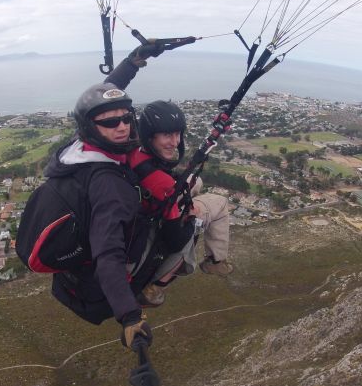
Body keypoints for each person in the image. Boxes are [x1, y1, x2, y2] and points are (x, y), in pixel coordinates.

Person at [45, 82, 156, 350]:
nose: (122, 127)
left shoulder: (77, 151)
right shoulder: (109, 185)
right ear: (91, 127)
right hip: (96, 289)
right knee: (171, 223)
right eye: (111, 123)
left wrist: (133, 64)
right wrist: (130, 316)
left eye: (127, 118)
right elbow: (108, 253)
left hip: (71, 276)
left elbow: (99, 101)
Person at [128, 100, 234, 304]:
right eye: (167, 135)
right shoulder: (164, 184)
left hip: (149, 198)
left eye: (177, 134)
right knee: (219, 203)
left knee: (198, 181)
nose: (175, 142)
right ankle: (215, 261)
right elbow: (175, 240)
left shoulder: (134, 152)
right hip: (161, 210)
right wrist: (191, 217)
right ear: (150, 136)